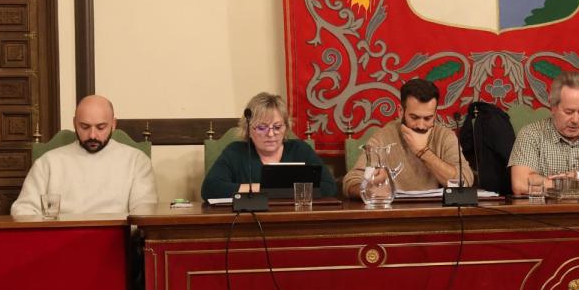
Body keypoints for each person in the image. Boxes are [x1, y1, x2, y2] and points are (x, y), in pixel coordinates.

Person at [11, 95, 157, 215]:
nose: (92, 135)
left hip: (116, 238)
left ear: (113, 124)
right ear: (74, 123)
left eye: (101, 127)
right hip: (60, 238)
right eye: (85, 127)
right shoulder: (48, 162)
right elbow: (23, 209)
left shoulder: (136, 161)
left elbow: (144, 212)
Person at [342, 79, 472, 198]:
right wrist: (369, 190)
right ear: (401, 111)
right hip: (395, 211)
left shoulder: (445, 136)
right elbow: (351, 182)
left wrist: (423, 152)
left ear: (435, 114)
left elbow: (464, 181)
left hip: (437, 211)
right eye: (414, 117)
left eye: (428, 118)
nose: (421, 125)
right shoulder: (384, 135)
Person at [201, 92, 336, 200]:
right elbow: (210, 189)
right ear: (248, 129)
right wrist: (264, 189)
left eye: (277, 127)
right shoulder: (235, 152)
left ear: (286, 127)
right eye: (262, 127)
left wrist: (266, 191)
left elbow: (329, 187)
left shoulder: (300, 150)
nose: (271, 134)